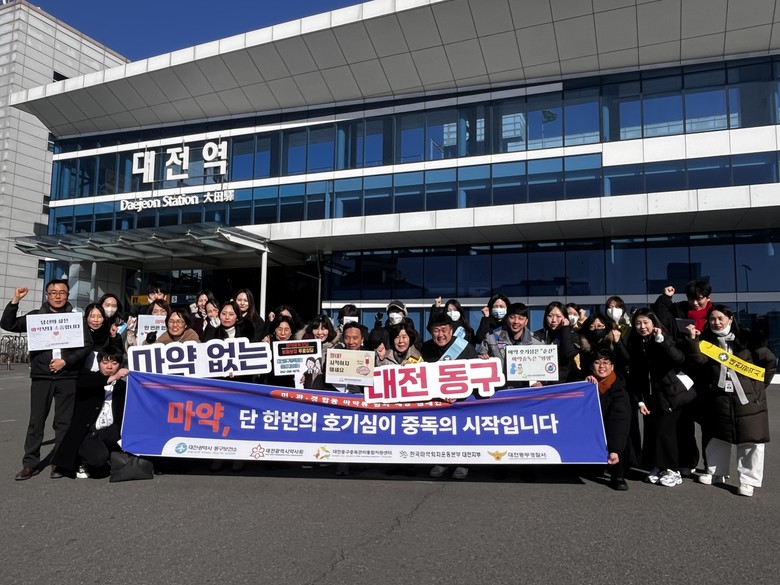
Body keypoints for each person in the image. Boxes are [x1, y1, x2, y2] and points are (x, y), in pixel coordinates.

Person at [1, 280, 93, 480]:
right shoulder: (36, 317)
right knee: (36, 421)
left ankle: (59, 462)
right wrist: (15, 300)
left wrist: (66, 361)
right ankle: (30, 463)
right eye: (53, 292)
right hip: (41, 377)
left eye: (62, 292)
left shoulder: (76, 318)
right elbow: (8, 324)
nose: (58, 296)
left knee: (63, 422)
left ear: (68, 295)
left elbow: (87, 346)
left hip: (67, 377)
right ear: (47, 295)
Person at [686, 305, 776, 496]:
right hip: (720, 398)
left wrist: (757, 388)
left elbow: (769, 363)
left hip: (748, 400)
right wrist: (693, 341)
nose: (716, 322)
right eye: (712, 319)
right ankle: (716, 472)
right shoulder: (707, 342)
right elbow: (699, 362)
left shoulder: (748, 339)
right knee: (717, 436)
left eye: (720, 318)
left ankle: (748, 481)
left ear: (730, 318)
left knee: (751, 440)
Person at [617, 308, 691, 487]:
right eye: (638, 323)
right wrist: (640, 400)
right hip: (650, 396)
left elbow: (678, 359)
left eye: (646, 323)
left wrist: (661, 340)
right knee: (652, 432)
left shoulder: (663, 338)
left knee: (665, 432)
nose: (642, 327)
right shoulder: (636, 343)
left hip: (671, 394)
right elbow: (635, 374)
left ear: (654, 323)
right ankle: (657, 466)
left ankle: (673, 470)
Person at [51, 346, 129, 479]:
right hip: (89, 432)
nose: (109, 367)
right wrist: (113, 377)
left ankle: (110, 455)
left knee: (123, 438)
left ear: (120, 365)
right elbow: (84, 383)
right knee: (98, 460)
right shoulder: (88, 379)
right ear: (98, 363)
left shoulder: (122, 386)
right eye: (105, 362)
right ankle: (84, 461)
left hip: (110, 431)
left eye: (114, 363)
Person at [423, 312, 477, 480]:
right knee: (441, 433)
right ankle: (442, 461)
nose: (440, 335)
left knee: (462, 432)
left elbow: (476, 376)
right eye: (436, 330)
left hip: (463, 401)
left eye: (444, 330)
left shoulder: (465, 348)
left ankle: (463, 463)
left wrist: (460, 394)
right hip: (438, 402)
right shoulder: (425, 349)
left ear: (451, 330)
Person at [584, 349, 631, 491]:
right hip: (593, 430)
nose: (602, 366)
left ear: (612, 366)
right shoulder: (586, 383)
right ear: (591, 366)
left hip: (613, 432)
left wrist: (614, 450)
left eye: (606, 362)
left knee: (617, 440)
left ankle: (618, 475)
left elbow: (618, 423)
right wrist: (584, 386)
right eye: (597, 362)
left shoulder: (620, 391)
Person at [478, 302, 542, 389]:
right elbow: (478, 361)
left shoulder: (536, 343)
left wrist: (541, 382)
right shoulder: (492, 339)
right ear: (507, 318)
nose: (516, 321)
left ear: (526, 321)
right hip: (499, 390)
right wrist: (482, 358)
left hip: (527, 391)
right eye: (512, 317)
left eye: (520, 318)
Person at [534, 301, 580, 383]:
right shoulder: (537, 335)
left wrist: (565, 328)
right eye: (550, 316)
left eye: (558, 316)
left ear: (565, 318)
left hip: (564, 383)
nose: (554, 320)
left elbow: (568, 354)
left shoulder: (572, 335)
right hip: (542, 383)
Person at [83, 303, 124, 370]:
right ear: (86, 317)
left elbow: (118, 355)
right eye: (92, 316)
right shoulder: (80, 333)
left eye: (99, 317)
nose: (96, 320)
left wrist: (113, 337)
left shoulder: (110, 332)